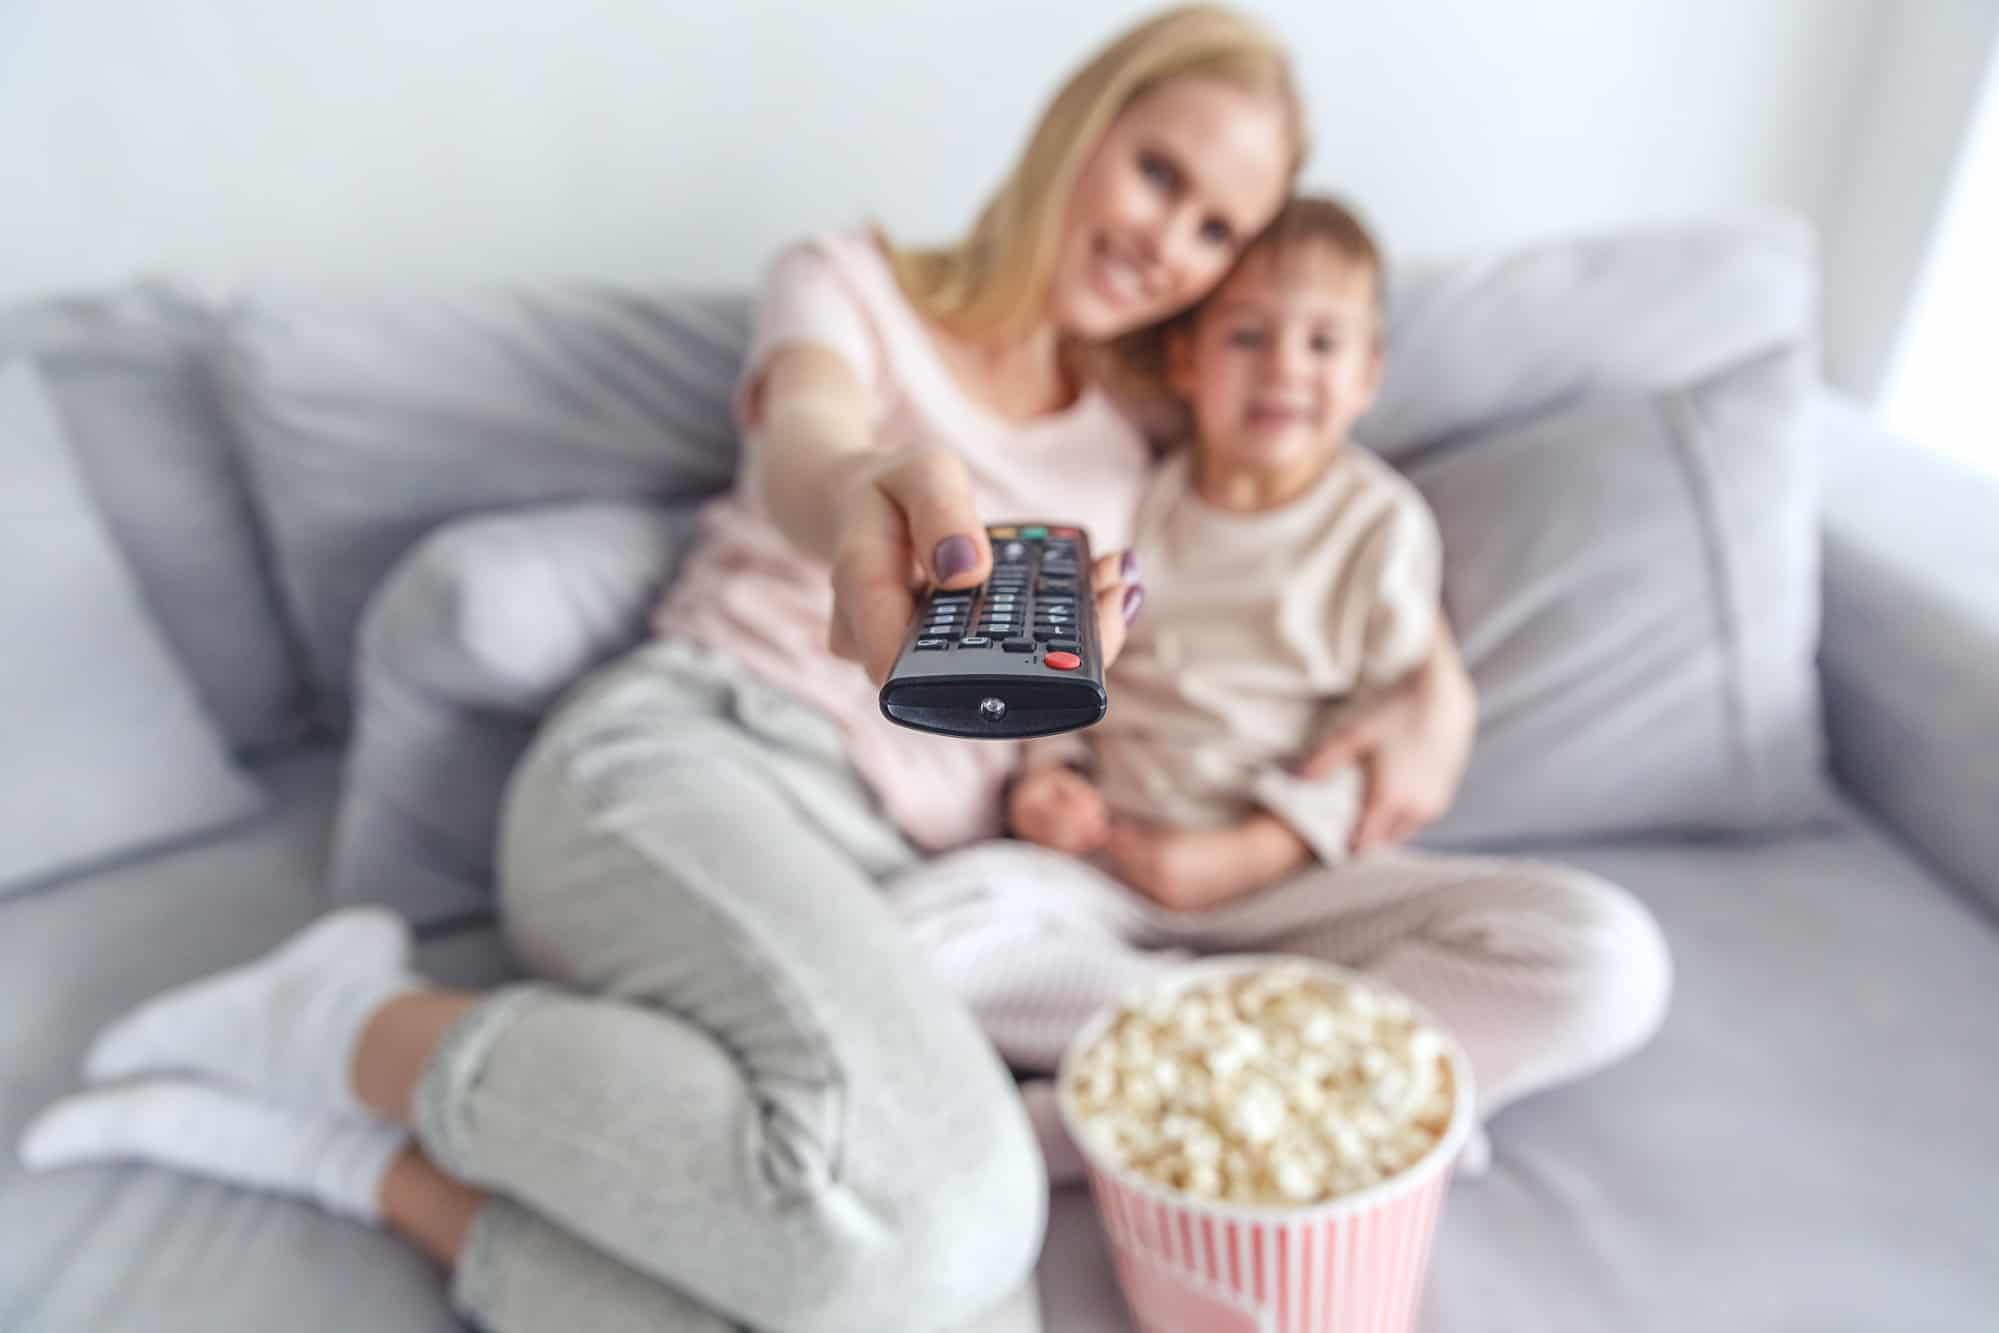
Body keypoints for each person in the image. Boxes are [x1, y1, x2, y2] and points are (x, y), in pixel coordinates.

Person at [20, 8, 1323, 1333]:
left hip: (889, 882)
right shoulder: (847, 282)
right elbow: (807, 441)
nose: (1170, 239)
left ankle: (363, 1168)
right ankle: (358, 1035)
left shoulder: (1129, 457)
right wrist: (864, 497)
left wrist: (1068, 772)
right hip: (688, 759)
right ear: (1081, 123)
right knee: (957, 1218)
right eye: (1161, 173)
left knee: (951, 1309)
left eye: (1216, 229)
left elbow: (1265, 569)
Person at [887, 196, 1673, 1180]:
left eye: (1322, 343)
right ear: (1184, 362)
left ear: (1367, 375)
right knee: (909, 940)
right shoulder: (1126, 502)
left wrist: (1257, 847)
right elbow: (1058, 670)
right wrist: (1048, 779)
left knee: (1606, 958)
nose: (1284, 368)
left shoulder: (1377, 529)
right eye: (1247, 336)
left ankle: (1119, 1109)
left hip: (1301, 889)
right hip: (1105, 880)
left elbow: (1385, 727)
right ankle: (1299, 1077)